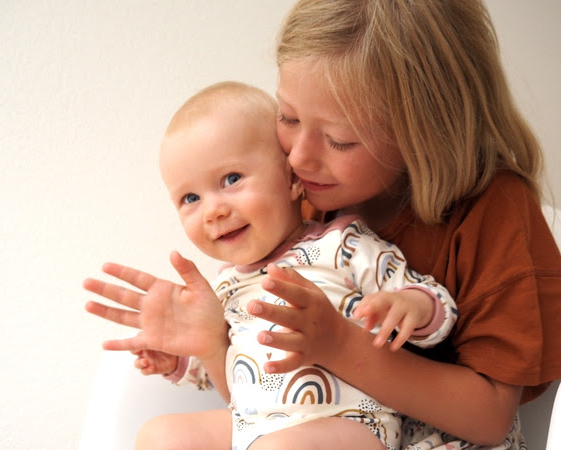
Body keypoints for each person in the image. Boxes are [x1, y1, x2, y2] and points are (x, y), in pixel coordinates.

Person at [242, 0, 559, 448]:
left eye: (339, 140)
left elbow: (490, 417)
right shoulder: (305, 202)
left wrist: (341, 347)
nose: (297, 157)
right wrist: (204, 343)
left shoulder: (496, 210)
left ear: (427, 131)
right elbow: (269, 397)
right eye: (288, 117)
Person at [84, 81, 457, 449]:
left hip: (350, 427)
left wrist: (414, 306)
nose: (214, 210)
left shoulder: (341, 244)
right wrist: (180, 361)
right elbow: (229, 375)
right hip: (256, 428)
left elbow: (432, 300)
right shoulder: (226, 287)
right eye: (191, 197)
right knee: (159, 436)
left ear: (292, 178)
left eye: (231, 179)